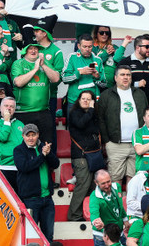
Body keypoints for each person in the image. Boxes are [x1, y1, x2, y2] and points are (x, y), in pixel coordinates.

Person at [97, 65, 147, 185]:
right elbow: (100, 119)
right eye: (122, 75)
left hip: (137, 144)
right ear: (115, 78)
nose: (126, 77)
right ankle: (117, 204)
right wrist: (106, 141)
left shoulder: (140, 94)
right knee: (115, 180)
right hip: (115, 144)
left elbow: (147, 116)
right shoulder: (106, 95)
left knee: (134, 180)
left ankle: (130, 204)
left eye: (128, 75)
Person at [13, 124, 59, 242]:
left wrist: (48, 154)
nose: (31, 138)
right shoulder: (18, 150)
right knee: (31, 236)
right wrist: (43, 156)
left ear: (38, 135)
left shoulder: (43, 147)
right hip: (30, 200)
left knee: (48, 236)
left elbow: (56, 164)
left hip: (47, 198)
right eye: (28, 135)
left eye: (33, 135)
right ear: (23, 136)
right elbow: (24, 167)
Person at [12, 43, 60, 144]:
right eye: (30, 49)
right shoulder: (18, 63)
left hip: (43, 112)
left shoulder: (45, 62)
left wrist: (43, 65)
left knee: (46, 144)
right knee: (25, 145)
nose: (33, 51)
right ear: (25, 51)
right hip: (24, 112)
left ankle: (45, 160)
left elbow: (56, 78)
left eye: (36, 49)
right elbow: (18, 82)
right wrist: (35, 69)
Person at [67, 90, 101, 221]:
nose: (86, 101)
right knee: (83, 185)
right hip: (80, 156)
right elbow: (81, 124)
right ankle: (74, 215)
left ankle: (86, 213)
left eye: (89, 99)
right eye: (83, 99)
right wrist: (92, 110)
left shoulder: (94, 115)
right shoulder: (75, 113)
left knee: (92, 186)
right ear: (78, 100)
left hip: (93, 155)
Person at [32, 15, 65, 128]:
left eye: (37, 31)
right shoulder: (31, 48)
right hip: (32, 95)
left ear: (44, 33)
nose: (34, 33)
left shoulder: (56, 52)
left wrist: (45, 63)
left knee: (49, 129)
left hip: (49, 97)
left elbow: (58, 79)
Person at [0, 97, 23, 192]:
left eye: (11, 106)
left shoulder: (19, 124)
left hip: (20, 167)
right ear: (0, 108)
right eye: (6, 106)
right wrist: (6, 121)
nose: (8, 108)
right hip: (4, 167)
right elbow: (3, 137)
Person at [62, 33, 106, 108]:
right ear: (79, 46)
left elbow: (104, 84)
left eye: (90, 46)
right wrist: (80, 72)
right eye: (84, 46)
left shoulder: (98, 60)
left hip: (92, 102)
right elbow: (64, 79)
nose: (87, 49)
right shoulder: (72, 57)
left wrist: (97, 77)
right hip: (74, 101)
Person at [90, 170, 129, 246]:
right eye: (103, 183)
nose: (107, 185)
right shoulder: (94, 196)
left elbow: (120, 205)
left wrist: (125, 219)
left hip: (118, 233)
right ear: (96, 183)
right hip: (103, 236)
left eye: (108, 181)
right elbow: (94, 213)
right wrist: (96, 222)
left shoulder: (117, 187)